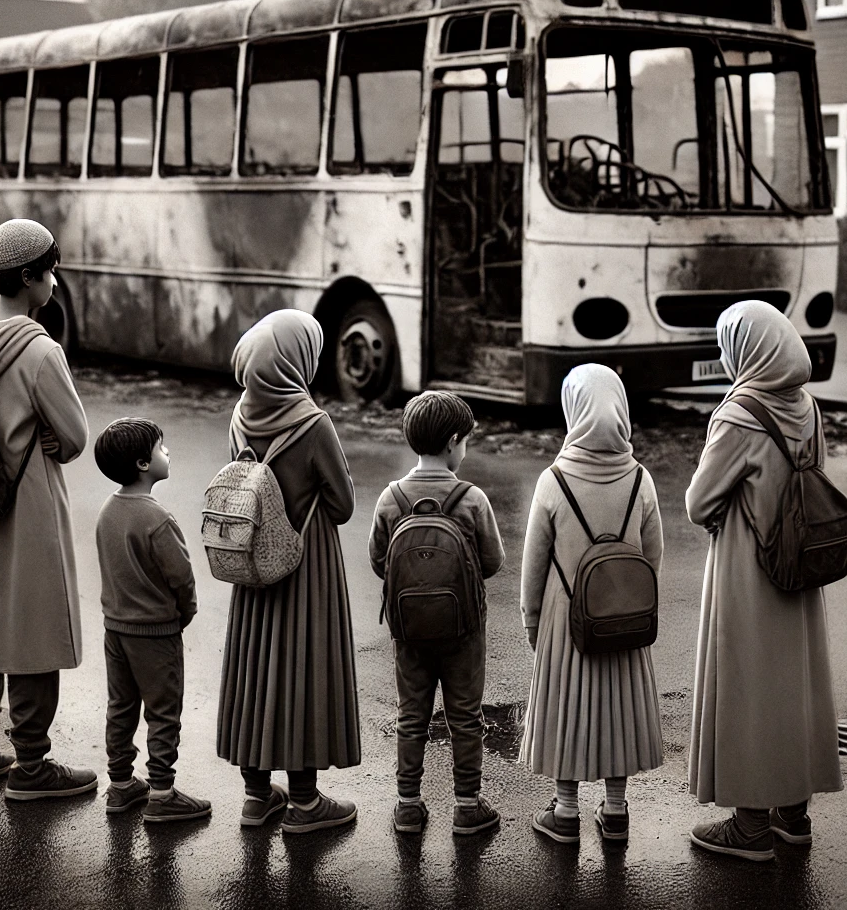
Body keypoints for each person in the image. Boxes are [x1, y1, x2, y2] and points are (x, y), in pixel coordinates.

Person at [687, 300, 842, 861]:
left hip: (748, 571)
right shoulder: (808, 405)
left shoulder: (738, 415)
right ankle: (793, 816)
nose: (725, 356)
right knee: (792, 686)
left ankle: (750, 826)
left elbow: (698, 502)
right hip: (800, 567)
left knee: (747, 688)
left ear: (748, 349)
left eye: (729, 344)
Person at [0, 218, 96, 799]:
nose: (55, 280)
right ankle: (32, 767)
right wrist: (47, 439)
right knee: (32, 628)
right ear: (31, 276)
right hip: (29, 504)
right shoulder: (40, 352)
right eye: (51, 269)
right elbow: (76, 435)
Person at [217, 309, 360, 833]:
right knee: (303, 673)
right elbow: (342, 504)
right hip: (306, 569)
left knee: (256, 673)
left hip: (252, 566)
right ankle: (304, 803)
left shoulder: (239, 415)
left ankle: (258, 798)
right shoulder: (313, 423)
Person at [519, 364, 664, 845]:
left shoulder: (553, 481)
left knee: (566, 706)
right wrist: (626, 601)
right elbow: (653, 554)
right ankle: (617, 810)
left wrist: (532, 623)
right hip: (623, 614)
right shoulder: (640, 479)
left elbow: (534, 565)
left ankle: (564, 812)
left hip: (567, 618)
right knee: (616, 709)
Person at [368, 391, 505, 836]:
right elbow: (492, 561)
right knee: (465, 715)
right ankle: (467, 806)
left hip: (408, 630)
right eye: (465, 441)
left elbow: (378, 561)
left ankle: (408, 805)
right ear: (452, 442)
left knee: (412, 714)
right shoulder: (470, 497)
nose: (465, 449)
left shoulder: (391, 497)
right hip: (463, 628)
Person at [93, 417, 210, 824]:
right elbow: (181, 577)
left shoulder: (108, 511)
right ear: (144, 464)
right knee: (163, 711)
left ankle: (121, 784)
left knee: (121, 706)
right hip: (156, 633)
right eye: (162, 448)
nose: (168, 453)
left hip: (116, 629)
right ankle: (162, 791)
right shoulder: (158, 519)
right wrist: (185, 613)